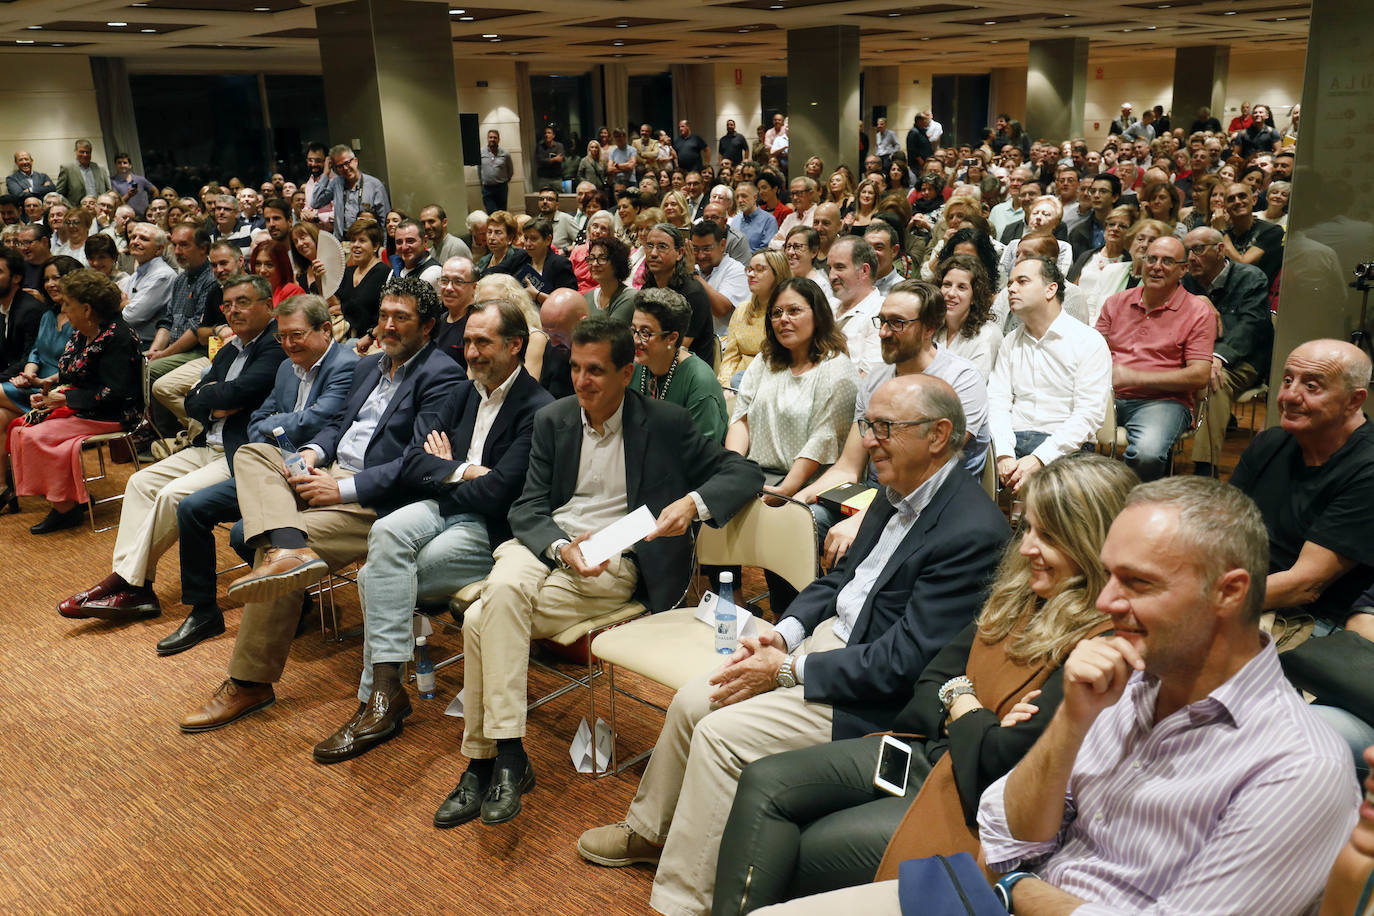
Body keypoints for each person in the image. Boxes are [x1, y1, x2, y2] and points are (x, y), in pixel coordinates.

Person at [778, 478, 1360, 916]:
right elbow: (1004, 828)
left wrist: (1021, 890)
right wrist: (1071, 722)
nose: (1105, 603)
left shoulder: (1298, 766)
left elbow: (1010, 863)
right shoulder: (1127, 684)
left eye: (1137, 583)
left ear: (1230, 594)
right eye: (1107, 575)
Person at [577, 373, 1009, 916]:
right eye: (866, 425)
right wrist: (782, 634)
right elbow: (839, 584)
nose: (868, 440)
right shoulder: (898, 485)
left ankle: (687, 900)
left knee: (720, 736)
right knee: (693, 699)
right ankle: (649, 831)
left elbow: (905, 663)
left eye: (883, 427)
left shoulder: (970, 531)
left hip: (868, 694)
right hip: (831, 646)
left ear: (939, 434)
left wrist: (790, 670)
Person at [714, 453, 1135, 913]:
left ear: (1093, 543)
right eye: (1027, 528)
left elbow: (1000, 764)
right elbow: (932, 677)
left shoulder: (1100, 646)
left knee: (802, 844)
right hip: (924, 753)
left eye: (1049, 536)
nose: (1028, 547)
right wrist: (970, 709)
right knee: (763, 781)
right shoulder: (1020, 591)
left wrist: (960, 702)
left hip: (968, 804)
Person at [432, 315, 761, 828]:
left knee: (480, 620)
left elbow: (742, 471)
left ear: (626, 373)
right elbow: (528, 508)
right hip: (551, 544)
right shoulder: (555, 419)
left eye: (597, 372)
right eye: (578, 369)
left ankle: (484, 760)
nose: (582, 382)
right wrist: (562, 548)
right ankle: (507, 757)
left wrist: (692, 505)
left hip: (617, 555)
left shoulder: (666, 423)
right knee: (503, 590)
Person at [176, 276, 463, 733]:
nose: (388, 325)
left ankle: (249, 681)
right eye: (384, 315)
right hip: (328, 472)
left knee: (269, 548)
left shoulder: (441, 374)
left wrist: (342, 490)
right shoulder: (370, 367)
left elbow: (419, 462)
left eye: (401, 318)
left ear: (427, 326)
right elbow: (338, 428)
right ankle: (289, 545)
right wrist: (313, 455)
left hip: (375, 497)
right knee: (255, 453)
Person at [312, 297, 554, 763]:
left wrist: (447, 472)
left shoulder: (538, 409)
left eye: (483, 342)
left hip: (491, 531)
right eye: (466, 342)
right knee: (385, 533)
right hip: (444, 507)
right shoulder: (463, 393)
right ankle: (385, 695)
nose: (472, 353)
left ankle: (377, 699)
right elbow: (417, 464)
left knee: (371, 578)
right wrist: (464, 472)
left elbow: (500, 496)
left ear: (516, 345)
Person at [56, 272, 285, 616]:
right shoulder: (229, 349)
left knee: (171, 495)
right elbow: (193, 399)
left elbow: (239, 391)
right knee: (140, 482)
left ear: (268, 306)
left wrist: (210, 395)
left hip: (240, 453)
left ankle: (124, 584)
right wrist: (212, 398)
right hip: (206, 444)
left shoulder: (274, 346)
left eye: (243, 303)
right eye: (228, 305)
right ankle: (137, 583)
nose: (233, 311)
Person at [159, 294, 358, 655]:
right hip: (271, 466)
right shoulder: (286, 366)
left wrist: (275, 427)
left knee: (242, 533)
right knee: (191, 509)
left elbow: (320, 420)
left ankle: (293, 596)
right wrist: (277, 428)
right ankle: (203, 611)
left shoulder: (347, 364)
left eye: (296, 335)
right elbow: (256, 422)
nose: (287, 344)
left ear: (325, 329)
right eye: (281, 336)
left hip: (319, 467)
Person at [1230, 340, 1374, 628]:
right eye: (1287, 380)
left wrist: (1204, 603)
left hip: (1309, 617)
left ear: (1354, 400)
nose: (1289, 396)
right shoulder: (1270, 443)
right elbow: (1215, 524)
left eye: (1312, 386)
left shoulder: (1367, 469)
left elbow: (1305, 585)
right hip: (1244, 589)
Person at [10, 270, 142, 534]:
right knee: (20, 428)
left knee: (35, 436)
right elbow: (73, 372)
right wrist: (48, 391)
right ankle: (69, 498)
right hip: (85, 405)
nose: (63, 308)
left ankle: (66, 509)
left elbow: (116, 392)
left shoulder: (119, 337)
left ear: (87, 308)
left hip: (113, 412)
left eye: (68, 304)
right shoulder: (83, 331)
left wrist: (65, 398)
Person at [726, 277, 859, 518]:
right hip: (756, 475)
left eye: (794, 311)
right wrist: (733, 469)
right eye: (776, 313)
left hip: (809, 485)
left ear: (817, 315)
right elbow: (741, 418)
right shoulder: (765, 360)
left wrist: (786, 489)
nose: (783, 319)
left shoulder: (837, 369)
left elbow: (823, 438)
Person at [1096, 235, 1214, 481]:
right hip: (1106, 396)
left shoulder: (1197, 311)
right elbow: (1091, 351)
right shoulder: (1116, 302)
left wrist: (1136, 377)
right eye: (1152, 259)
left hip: (1162, 402)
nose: (1157, 266)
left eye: (1167, 261)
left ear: (1183, 270)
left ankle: (1133, 510)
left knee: (1146, 454)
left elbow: (1200, 375)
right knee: (1060, 430)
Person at [991, 258, 1112, 493]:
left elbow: (1088, 415)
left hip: (1066, 446)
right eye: (1010, 283)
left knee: (1051, 491)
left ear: (1050, 289)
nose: (1011, 289)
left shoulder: (1088, 340)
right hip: (1013, 440)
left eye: (1022, 281)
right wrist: (1003, 455)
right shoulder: (1010, 341)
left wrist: (1038, 459)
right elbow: (997, 401)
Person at [1181, 227, 1274, 478]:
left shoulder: (1251, 278)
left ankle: (1205, 469)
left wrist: (1216, 356)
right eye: (1187, 251)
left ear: (1220, 249)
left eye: (1198, 249)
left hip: (1243, 360)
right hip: (1195, 356)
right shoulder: (1185, 280)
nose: (1191, 257)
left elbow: (1250, 328)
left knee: (1214, 382)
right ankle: (1161, 450)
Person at [630, 288, 728, 441]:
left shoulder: (700, 382)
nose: (636, 340)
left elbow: (703, 453)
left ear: (672, 338)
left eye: (645, 333)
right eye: (634, 330)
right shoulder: (635, 367)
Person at [640, 223, 715, 367]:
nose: (653, 253)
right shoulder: (648, 287)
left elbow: (676, 348)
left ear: (680, 253)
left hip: (688, 370)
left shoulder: (693, 293)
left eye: (662, 247)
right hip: (653, 362)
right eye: (649, 246)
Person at [719, 248, 788, 388]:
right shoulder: (742, 310)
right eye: (749, 269)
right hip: (735, 384)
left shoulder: (786, 315)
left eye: (759, 269)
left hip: (770, 384)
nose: (751, 274)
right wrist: (725, 386)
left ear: (778, 274)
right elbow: (730, 357)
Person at [937, 254, 1001, 380]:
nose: (951, 293)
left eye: (961, 287)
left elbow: (972, 387)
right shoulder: (933, 326)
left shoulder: (987, 334)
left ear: (974, 297)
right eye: (947, 284)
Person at [310, 144, 390, 240]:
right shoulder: (336, 183)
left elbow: (384, 222)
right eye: (339, 166)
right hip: (342, 242)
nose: (345, 168)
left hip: (367, 242)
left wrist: (383, 250)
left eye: (347, 163)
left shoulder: (375, 186)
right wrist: (326, 173)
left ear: (355, 161)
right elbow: (315, 202)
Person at [1216, 182, 1285, 285]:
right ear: (1224, 207)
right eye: (1231, 199)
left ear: (1254, 200)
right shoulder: (1224, 233)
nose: (1237, 202)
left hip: (1255, 294)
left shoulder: (1272, 231)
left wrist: (1222, 231)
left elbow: (1243, 265)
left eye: (1242, 196)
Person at [332, 220, 390, 343]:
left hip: (369, 340)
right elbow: (334, 305)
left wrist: (343, 308)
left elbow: (360, 310)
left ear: (375, 246)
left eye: (362, 241)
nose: (355, 245)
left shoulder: (384, 273)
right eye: (353, 240)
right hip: (344, 335)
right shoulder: (348, 271)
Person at [691, 219, 749, 339]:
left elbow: (720, 310)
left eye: (707, 249)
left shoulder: (736, 270)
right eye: (695, 249)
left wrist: (694, 276)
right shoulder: (695, 269)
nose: (700, 255)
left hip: (725, 344)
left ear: (722, 245)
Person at [517, 217, 577, 307]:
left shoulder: (560, 264)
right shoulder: (522, 258)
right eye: (526, 238)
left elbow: (569, 303)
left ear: (548, 240)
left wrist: (537, 295)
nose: (528, 244)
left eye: (533, 239)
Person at [583, 236, 635, 323]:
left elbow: (610, 334)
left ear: (617, 263)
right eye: (592, 258)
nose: (595, 264)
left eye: (602, 258)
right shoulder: (588, 296)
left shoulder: (629, 297)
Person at [250, 239, 308, 305]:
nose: (262, 270)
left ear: (281, 267)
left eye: (269, 265)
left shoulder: (292, 291)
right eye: (258, 264)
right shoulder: (251, 292)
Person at [475, 210, 530, 279]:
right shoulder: (483, 261)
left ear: (510, 238)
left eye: (498, 232)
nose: (491, 237)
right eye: (489, 232)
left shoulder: (519, 259)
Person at [479, 130, 514, 213]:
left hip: (501, 187)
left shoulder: (505, 153)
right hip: (487, 188)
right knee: (491, 212)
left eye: (495, 137)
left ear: (499, 139)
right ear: (487, 139)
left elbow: (510, 170)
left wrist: (505, 180)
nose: (492, 139)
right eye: (490, 137)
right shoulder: (481, 152)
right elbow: (479, 170)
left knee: (502, 212)